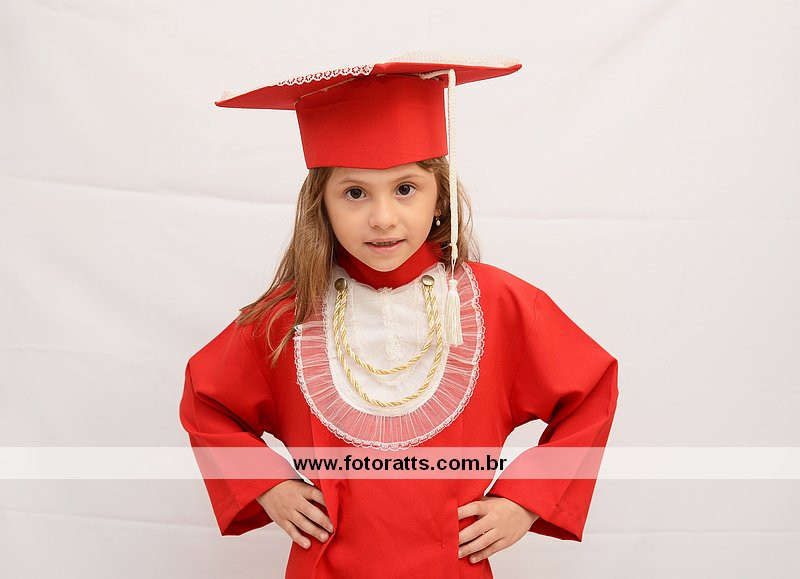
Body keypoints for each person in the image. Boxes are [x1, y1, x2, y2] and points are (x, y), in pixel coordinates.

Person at [179, 52, 619, 579]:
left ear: (439, 197)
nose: (383, 218)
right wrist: (266, 484)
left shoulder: (500, 304)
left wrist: (526, 499)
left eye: (405, 189)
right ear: (322, 205)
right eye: (355, 193)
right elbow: (207, 399)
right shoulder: (289, 317)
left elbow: (591, 390)